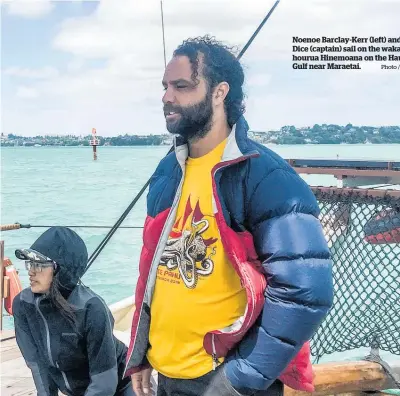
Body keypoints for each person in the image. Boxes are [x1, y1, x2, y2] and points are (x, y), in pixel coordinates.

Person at [124, 35, 334, 396]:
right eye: (164, 86)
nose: (166, 97)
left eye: (182, 86)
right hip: (167, 372)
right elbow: (152, 268)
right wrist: (140, 353)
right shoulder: (167, 170)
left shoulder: (268, 177)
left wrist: (243, 377)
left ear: (220, 92)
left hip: (224, 378)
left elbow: (306, 291)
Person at [12, 226, 135, 396]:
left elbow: (104, 383)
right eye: (30, 264)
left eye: (39, 265)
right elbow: (38, 366)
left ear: (59, 270)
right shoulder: (23, 305)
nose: (31, 271)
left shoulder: (91, 308)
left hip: (125, 385)